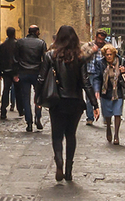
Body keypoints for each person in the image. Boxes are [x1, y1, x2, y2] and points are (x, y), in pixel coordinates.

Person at [38, 25, 92, 181]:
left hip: (57, 101)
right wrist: (94, 103)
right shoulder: (80, 57)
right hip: (75, 102)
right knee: (71, 135)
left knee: (57, 135)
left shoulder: (50, 56)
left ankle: (59, 161)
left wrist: (38, 99)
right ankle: (69, 169)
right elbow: (85, 82)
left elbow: (41, 78)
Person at [92, 43, 125, 145]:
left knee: (117, 113)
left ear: (114, 54)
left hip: (118, 91)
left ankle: (116, 135)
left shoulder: (122, 62)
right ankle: (108, 129)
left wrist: (124, 71)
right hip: (106, 92)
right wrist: (96, 90)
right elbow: (97, 77)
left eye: (111, 54)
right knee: (107, 114)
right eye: (107, 55)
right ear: (104, 55)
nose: (109, 56)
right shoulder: (100, 63)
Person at [13, 25, 47, 132]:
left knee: (25, 98)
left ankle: (29, 122)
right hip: (37, 73)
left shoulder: (20, 42)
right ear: (37, 32)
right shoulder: (41, 43)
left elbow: (15, 59)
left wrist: (16, 73)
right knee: (38, 97)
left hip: (23, 73)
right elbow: (45, 60)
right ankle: (38, 117)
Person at [80, 29, 107, 124]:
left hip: (102, 74)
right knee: (89, 96)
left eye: (102, 39)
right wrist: (92, 51)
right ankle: (90, 118)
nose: (100, 41)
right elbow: (81, 58)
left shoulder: (107, 47)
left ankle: (106, 117)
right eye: (99, 38)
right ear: (95, 37)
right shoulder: (87, 46)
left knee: (104, 95)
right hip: (90, 73)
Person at [0, 27, 19, 119]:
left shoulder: (2, 46)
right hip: (15, 71)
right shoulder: (18, 45)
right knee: (18, 90)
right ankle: (21, 109)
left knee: (6, 90)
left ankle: (3, 110)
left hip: (5, 71)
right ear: (14, 34)